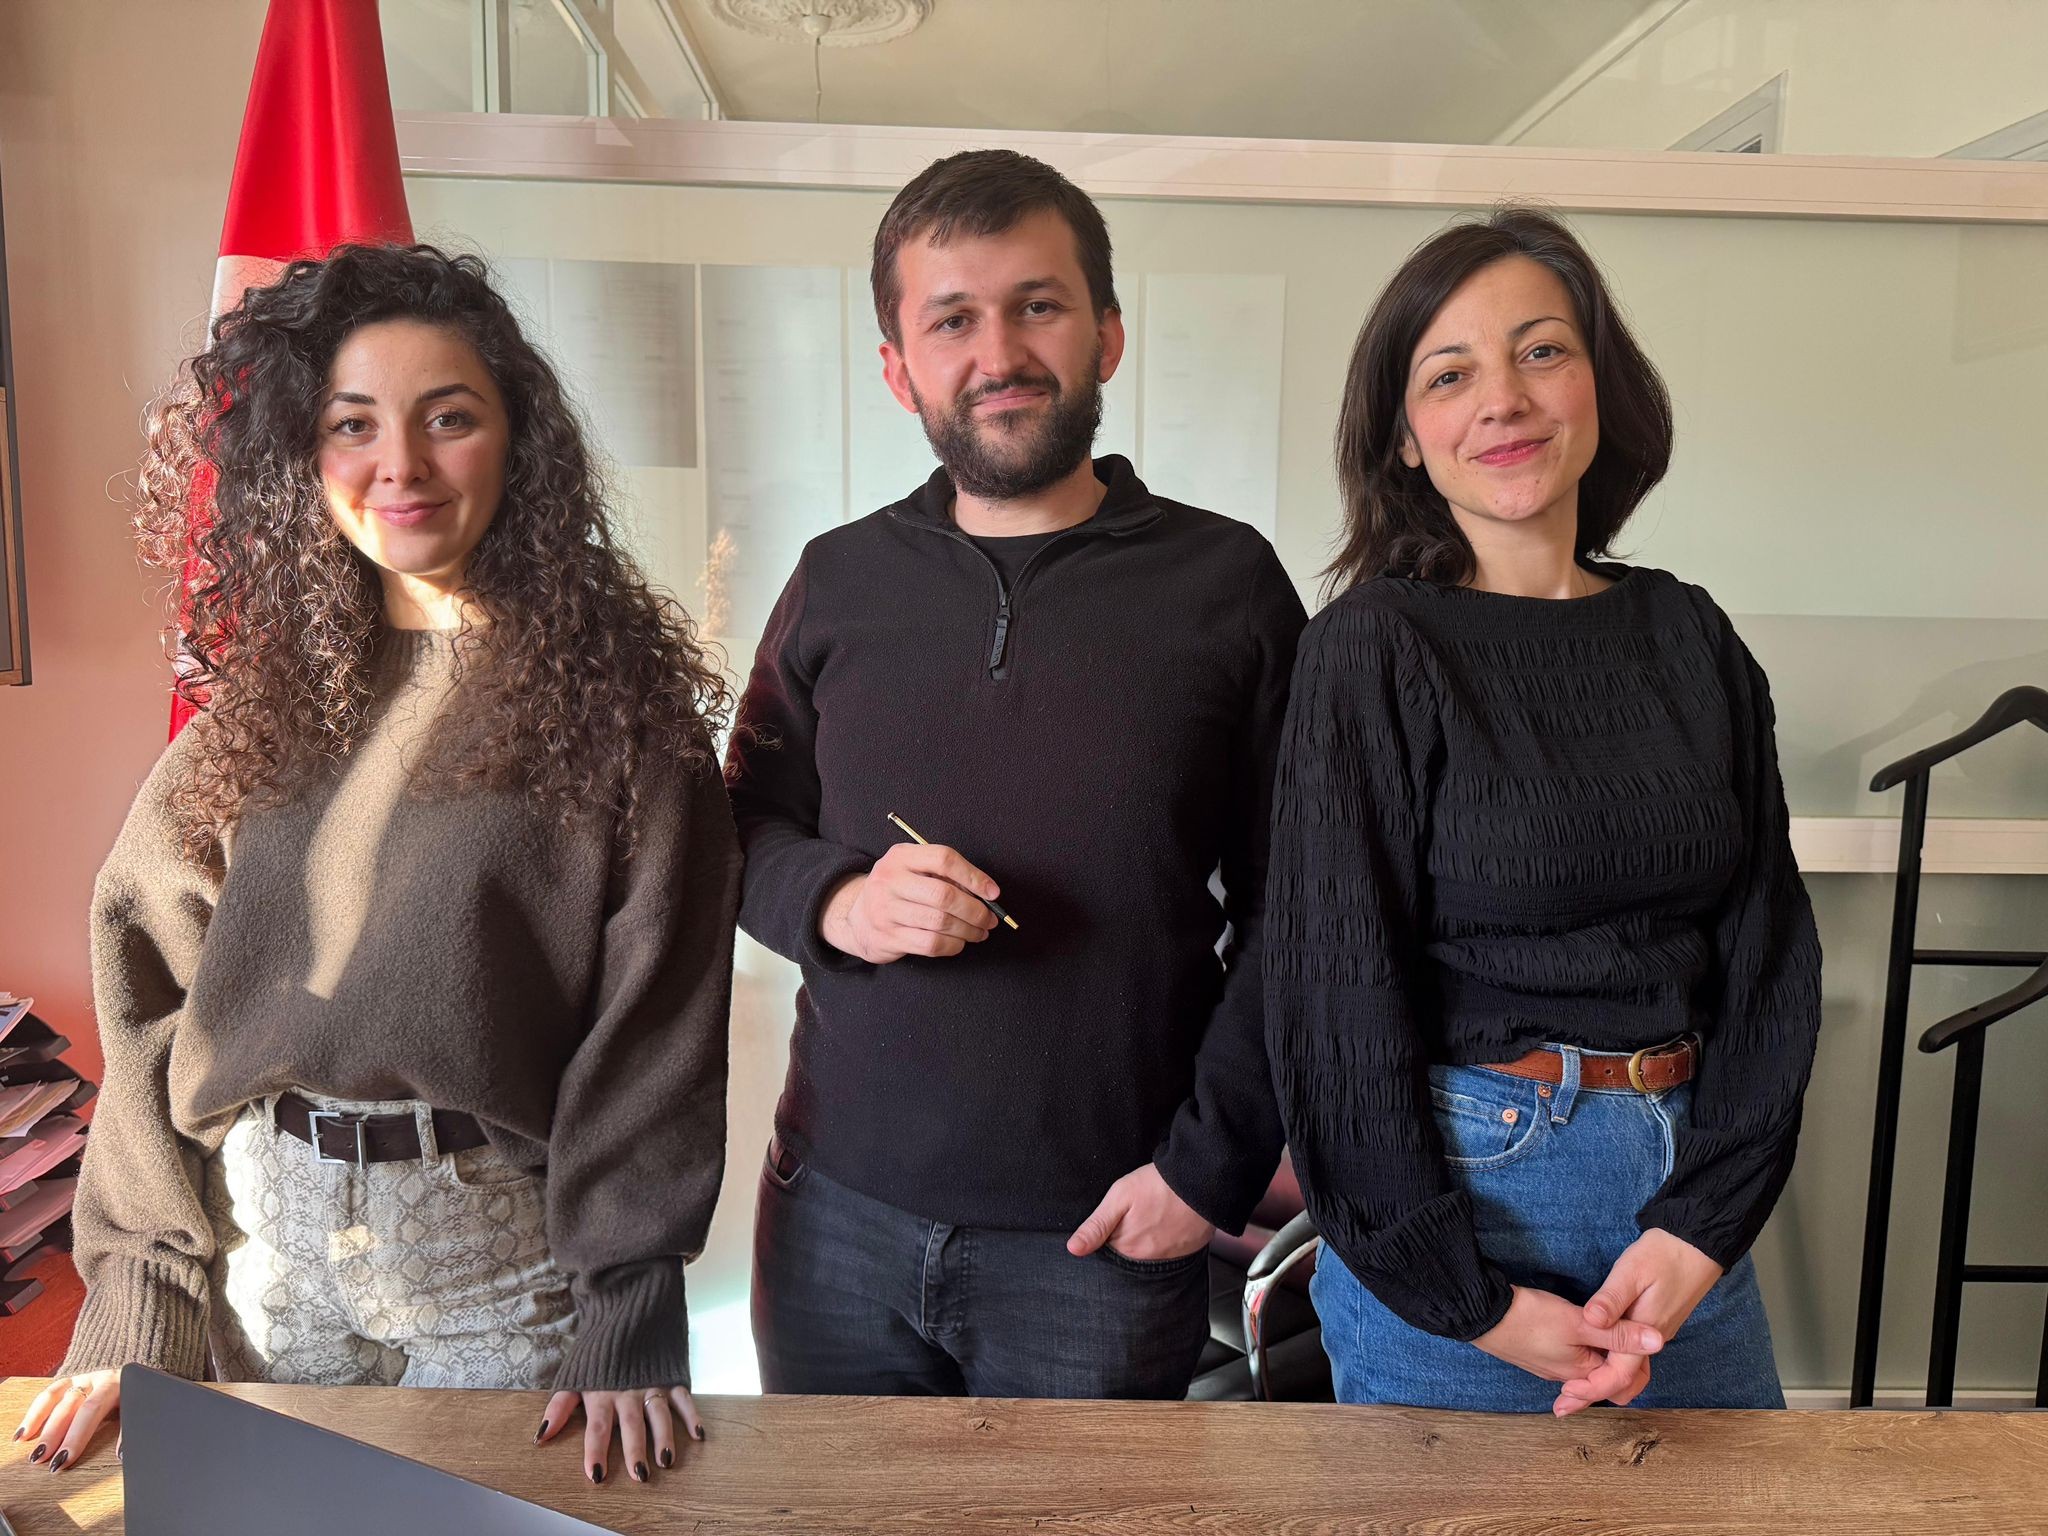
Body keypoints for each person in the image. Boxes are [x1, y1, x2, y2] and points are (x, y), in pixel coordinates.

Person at [16, 244, 738, 1484]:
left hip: (495, 1262)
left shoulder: (626, 731)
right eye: (353, 424)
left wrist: (628, 1308)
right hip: (265, 1248)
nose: (399, 463)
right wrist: (140, 1294)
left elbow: (655, 1040)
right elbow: (148, 1008)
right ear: (304, 456)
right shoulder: (254, 715)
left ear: (518, 444)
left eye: (447, 417)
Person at [727, 150, 1306, 1398]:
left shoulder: (1229, 587)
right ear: (898, 370)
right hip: (831, 1222)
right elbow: (740, 826)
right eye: (951, 320)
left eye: (1035, 305)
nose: (998, 353)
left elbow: (1302, 911)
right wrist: (841, 902)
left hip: (1103, 1238)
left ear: (1105, 335)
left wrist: (1206, 1170)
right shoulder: (835, 580)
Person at [1265, 206, 1821, 1413]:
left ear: (1597, 384)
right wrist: (1467, 1302)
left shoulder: (1687, 631)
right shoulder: (1371, 648)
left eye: (1540, 351)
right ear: (1404, 438)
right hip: (1468, 1208)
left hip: (1682, 1213)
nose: (1502, 400)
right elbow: (1330, 996)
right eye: (1448, 374)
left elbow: (1767, 952)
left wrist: (1702, 1226)